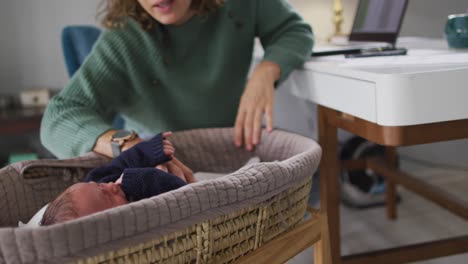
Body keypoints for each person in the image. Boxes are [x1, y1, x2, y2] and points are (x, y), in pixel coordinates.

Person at [40, 0, 314, 162]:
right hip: (158, 159)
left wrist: (265, 72)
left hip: (230, 151)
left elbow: (294, 30)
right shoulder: (123, 40)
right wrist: (127, 145)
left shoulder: (241, 5)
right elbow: (58, 116)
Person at [40, 132, 194, 225]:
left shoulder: (97, 182)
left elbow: (122, 162)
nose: (110, 186)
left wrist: (147, 150)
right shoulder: (138, 214)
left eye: (100, 186)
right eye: (108, 198)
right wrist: (136, 179)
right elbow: (179, 190)